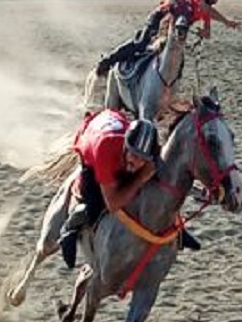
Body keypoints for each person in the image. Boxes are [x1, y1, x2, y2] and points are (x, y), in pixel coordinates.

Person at [58, 111, 199, 267]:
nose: (136, 162)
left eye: (142, 159)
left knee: (155, 186)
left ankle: (179, 231)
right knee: (96, 204)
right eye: (134, 155)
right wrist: (140, 178)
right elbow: (113, 204)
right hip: (93, 148)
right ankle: (70, 227)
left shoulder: (148, 152)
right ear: (125, 147)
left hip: (114, 128)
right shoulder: (106, 150)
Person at [94, 0, 241, 75]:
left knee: (178, 59)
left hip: (175, 30)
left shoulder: (207, 11)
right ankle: (108, 61)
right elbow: (204, 8)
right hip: (161, 17)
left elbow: (207, 33)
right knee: (141, 43)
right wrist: (226, 21)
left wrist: (203, 33)